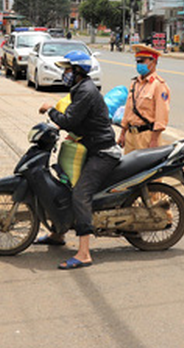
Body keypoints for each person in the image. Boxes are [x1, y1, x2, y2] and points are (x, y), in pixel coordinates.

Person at [37, 51, 121, 269]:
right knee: (64, 184)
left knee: (80, 194)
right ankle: (57, 233)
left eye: (67, 69)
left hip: (103, 153)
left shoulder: (85, 91)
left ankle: (84, 253)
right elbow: (78, 122)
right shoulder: (81, 88)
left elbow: (70, 119)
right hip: (91, 147)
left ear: (77, 71)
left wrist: (51, 110)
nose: (64, 73)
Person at [118, 44, 171, 153]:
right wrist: (123, 133)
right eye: (137, 61)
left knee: (147, 169)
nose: (139, 65)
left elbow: (161, 115)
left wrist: (154, 140)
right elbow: (128, 110)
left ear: (153, 62)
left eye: (142, 61)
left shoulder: (158, 85)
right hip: (131, 135)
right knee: (129, 169)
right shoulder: (135, 83)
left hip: (147, 136)